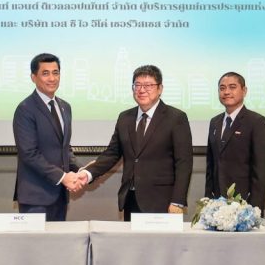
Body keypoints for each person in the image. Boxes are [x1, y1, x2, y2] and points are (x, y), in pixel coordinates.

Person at [80, 65, 193, 221]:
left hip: (163, 201)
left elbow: (184, 162)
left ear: (160, 89)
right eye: (137, 85)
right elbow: (112, 154)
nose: (141, 90)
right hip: (130, 199)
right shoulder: (125, 118)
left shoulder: (176, 118)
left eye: (148, 85)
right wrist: (87, 174)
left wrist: (177, 201)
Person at [13, 53, 82, 221]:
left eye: (55, 72)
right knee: (36, 240)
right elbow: (29, 154)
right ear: (33, 77)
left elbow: (63, 147)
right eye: (45, 73)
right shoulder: (25, 109)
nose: (52, 78)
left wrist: (80, 171)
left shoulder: (65, 107)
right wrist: (63, 177)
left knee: (59, 239)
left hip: (60, 196)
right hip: (35, 198)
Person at [205, 71, 265, 214]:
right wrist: (208, 200)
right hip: (216, 204)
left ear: (244, 90)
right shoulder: (215, 122)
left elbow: (262, 169)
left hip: (245, 204)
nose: (226, 92)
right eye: (222, 88)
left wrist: (255, 207)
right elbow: (211, 166)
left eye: (232, 87)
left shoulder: (256, 122)